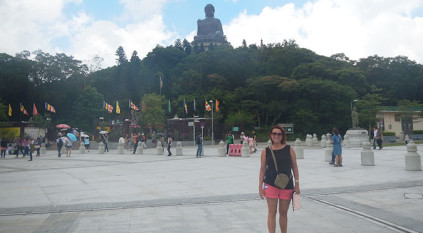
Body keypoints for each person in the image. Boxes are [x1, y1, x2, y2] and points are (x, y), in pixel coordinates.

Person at [259, 125, 300, 233]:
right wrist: (260, 186)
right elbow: (262, 169)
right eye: (274, 134)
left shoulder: (289, 149)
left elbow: (294, 167)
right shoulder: (265, 151)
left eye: (279, 134)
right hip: (270, 184)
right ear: (271, 135)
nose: (276, 136)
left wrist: (297, 184)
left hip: (287, 185)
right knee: (272, 212)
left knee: (283, 213)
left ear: (282, 136)